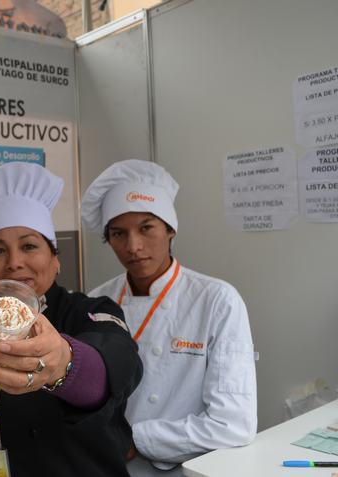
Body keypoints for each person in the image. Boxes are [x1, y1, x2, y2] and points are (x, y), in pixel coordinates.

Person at [0, 161, 142, 476]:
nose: (14, 262)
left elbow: (120, 361)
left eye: (29, 246)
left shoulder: (89, 311)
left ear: (55, 260)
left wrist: (65, 363)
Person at [81, 159, 257, 476]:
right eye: (119, 233)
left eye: (146, 228)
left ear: (170, 229)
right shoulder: (96, 302)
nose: (133, 246)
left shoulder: (216, 300)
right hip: (106, 465)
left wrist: (136, 440)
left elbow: (233, 425)